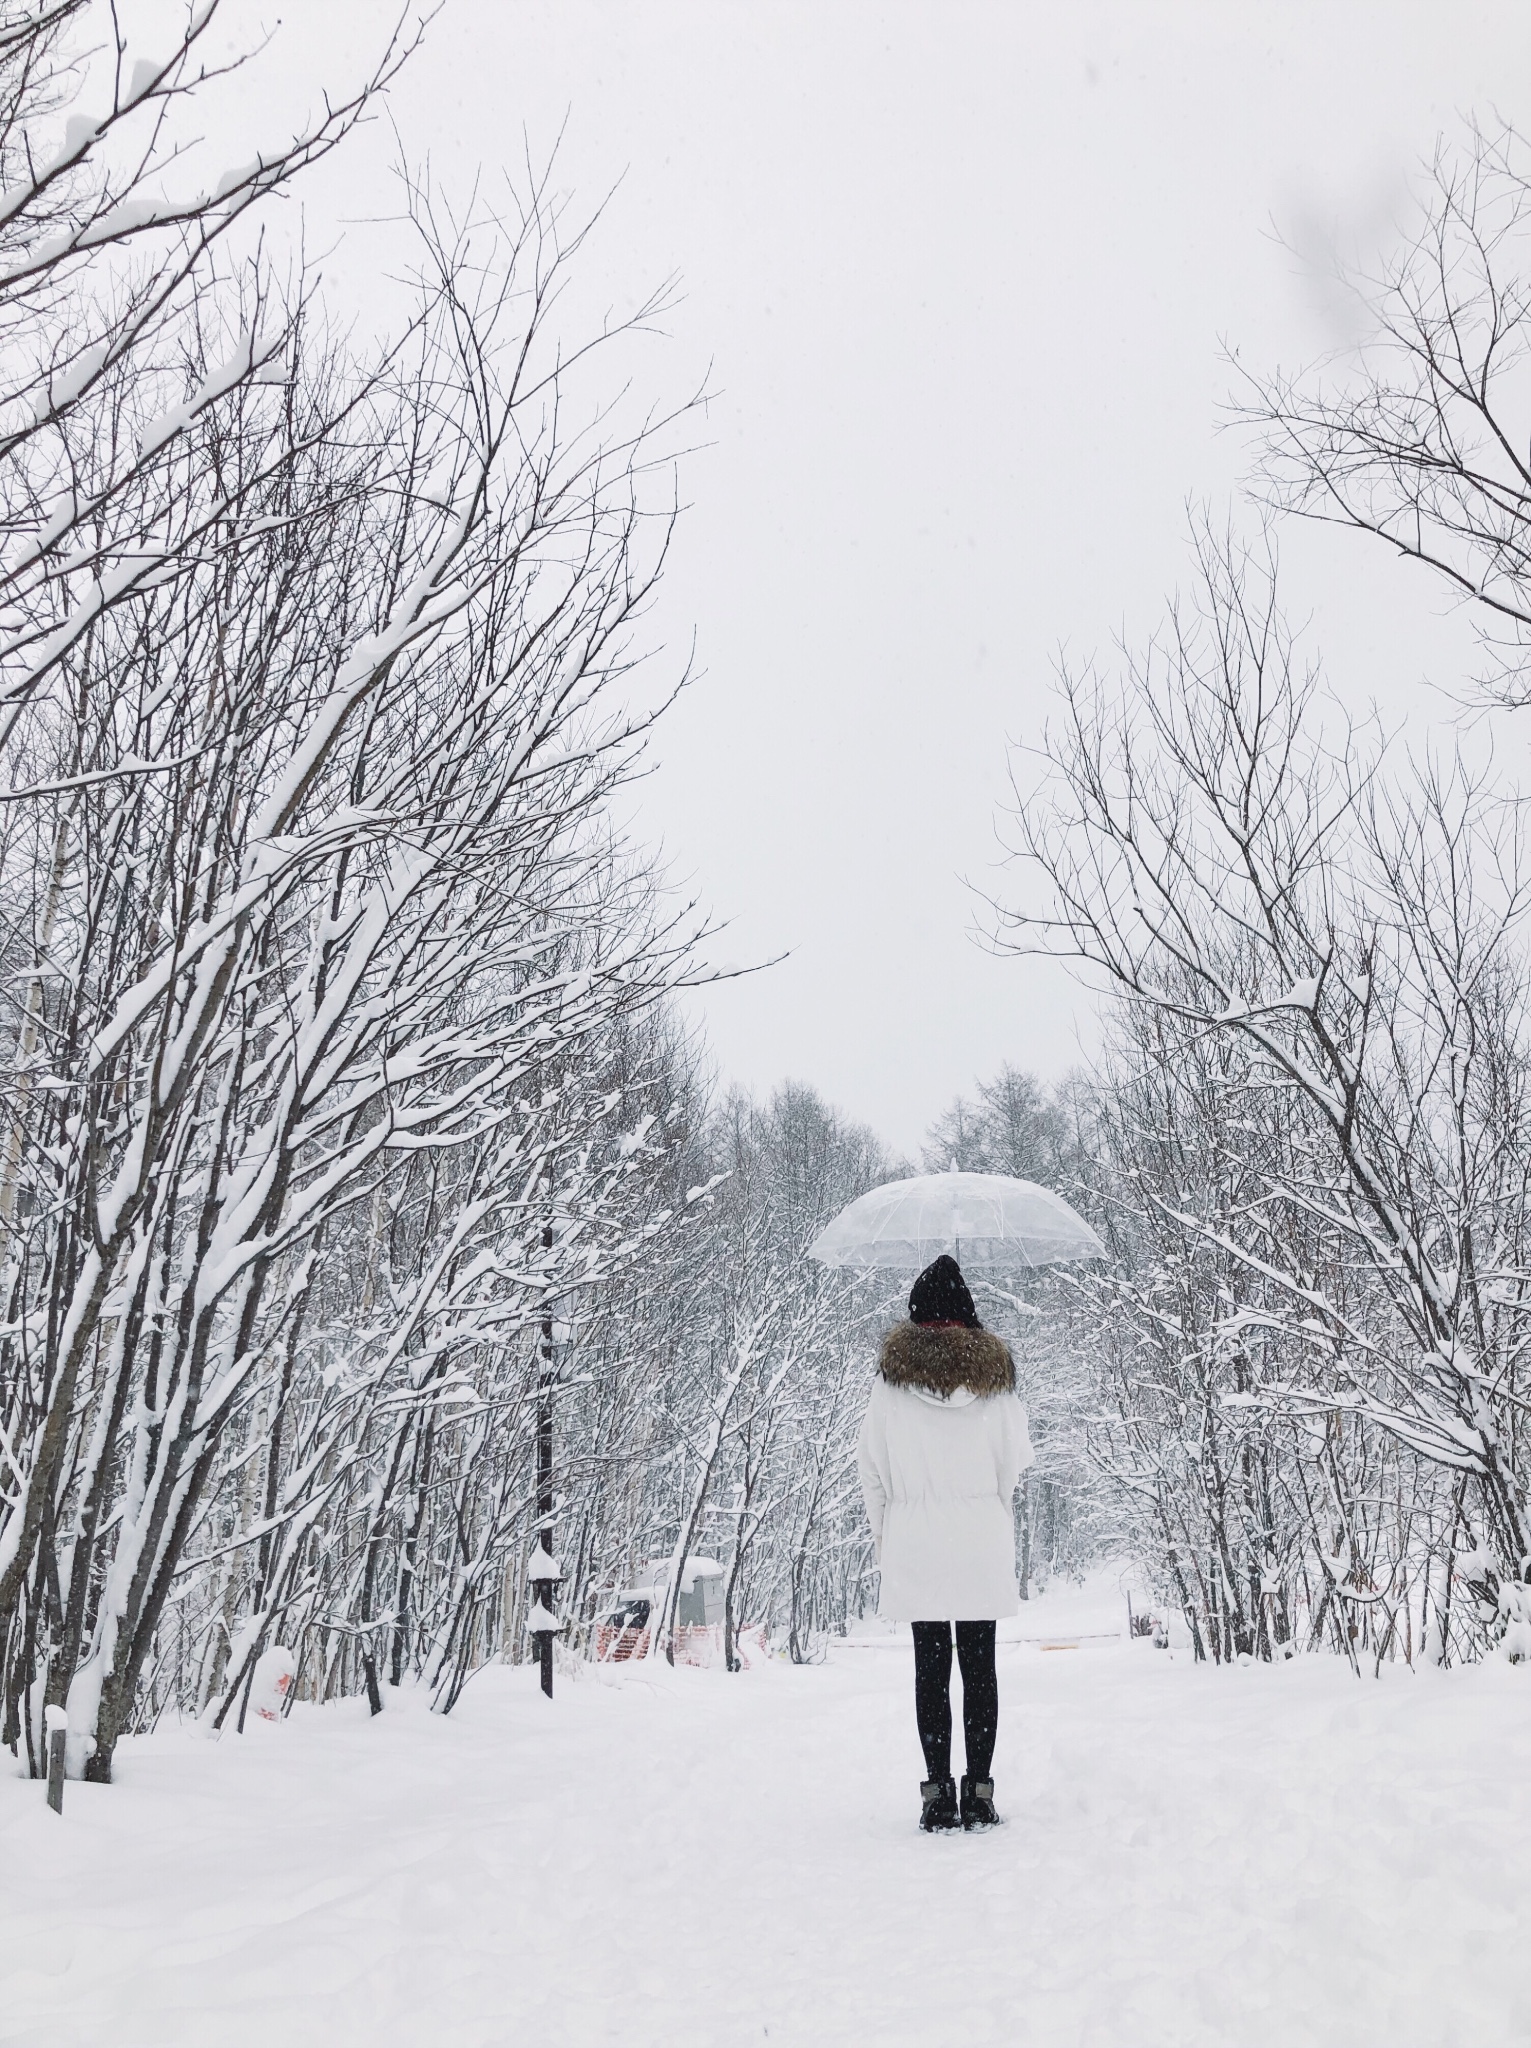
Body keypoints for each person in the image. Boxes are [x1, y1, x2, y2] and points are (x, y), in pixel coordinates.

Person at [856, 1253, 1033, 1833]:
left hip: (916, 1546)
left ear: (916, 1312)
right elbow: (1014, 1465)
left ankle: (936, 1796)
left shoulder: (890, 1384)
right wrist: (987, 1511)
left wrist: (890, 1543)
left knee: (930, 1672)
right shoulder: (997, 1382)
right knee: (979, 1668)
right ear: (967, 1311)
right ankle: (979, 1794)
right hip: (979, 1542)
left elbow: (873, 1473)